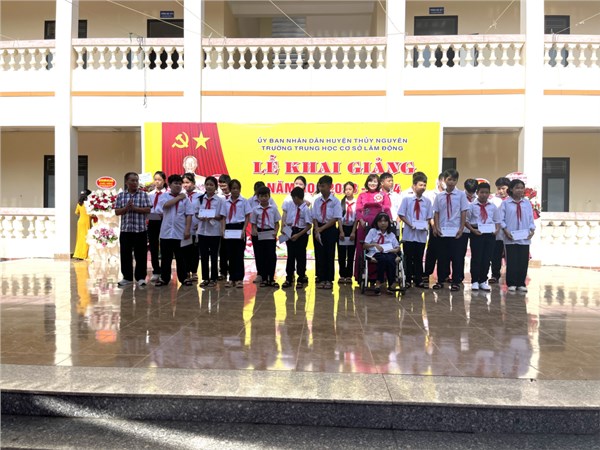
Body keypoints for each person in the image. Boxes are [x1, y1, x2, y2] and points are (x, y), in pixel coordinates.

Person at [432, 169, 470, 291]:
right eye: (449, 179)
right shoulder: (439, 196)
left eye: (454, 180)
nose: (451, 182)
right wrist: (436, 227)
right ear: (444, 180)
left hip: (456, 231)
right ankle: (441, 280)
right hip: (443, 230)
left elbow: (463, 212)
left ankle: (456, 281)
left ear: (457, 181)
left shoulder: (461, 195)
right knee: (442, 257)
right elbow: (436, 212)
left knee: (457, 257)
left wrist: (461, 228)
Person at [154, 174, 194, 287]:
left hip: (180, 232)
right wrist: (178, 198)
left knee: (181, 257)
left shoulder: (185, 199)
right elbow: (165, 206)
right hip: (166, 232)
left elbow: (189, 214)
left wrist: (187, 230)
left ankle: (183, 278)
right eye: (175, 183)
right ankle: (164, 278)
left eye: (180, 184)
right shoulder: (164, 196)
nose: (178, 186)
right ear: (169, 185)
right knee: (166, 257)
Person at [115, 172, 152, 287]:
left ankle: (141, 278)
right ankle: (127, 278)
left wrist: (135, 208)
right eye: (132, 180)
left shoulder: (143, 195)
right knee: (125, 255)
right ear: (127, 182)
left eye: (136, 180)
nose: (135, 183)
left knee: (141, 255)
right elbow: (117, 211)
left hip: (140, 230)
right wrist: (126, 208)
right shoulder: (121, 196)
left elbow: (148, 210)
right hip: (126, 230)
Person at [353, 174, 392, 279]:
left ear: (379, 183)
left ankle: (381, 275)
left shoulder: (383, 195)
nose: (372, 183)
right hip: (365, 225)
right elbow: (358, 210)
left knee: (380, 246)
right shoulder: (362, 195)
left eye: (375, 181)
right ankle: (361, 274)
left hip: (380, 224)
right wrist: (361, 220)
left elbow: (387, 208)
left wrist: (389, 220)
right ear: (367, 183)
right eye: (370, 181)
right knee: (363, 248)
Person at [500, 179, 536, 292]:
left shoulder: (527, 203)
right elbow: (501, 219)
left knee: (523, 260)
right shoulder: (506, 203)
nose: (520, 190)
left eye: (521, 188)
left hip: (524, 236)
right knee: (512, 260)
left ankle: (521, 283)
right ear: (511, 189)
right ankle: (511, 283)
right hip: (511, 236)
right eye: (517, 188)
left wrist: (532, 230)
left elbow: (530, 218)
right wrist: (506, 230)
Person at [399, 173, 432, 288]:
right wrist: (410, 224)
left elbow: (429, 217)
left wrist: (426, 225)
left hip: (421, 234)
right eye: (420, 185)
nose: (423, 187)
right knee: (408, 257)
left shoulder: (427, 202)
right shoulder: (407, 200)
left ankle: (419, 279)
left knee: (419, 257)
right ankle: (407, 279)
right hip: (409, 233)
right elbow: (401, 214)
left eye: (424, 185)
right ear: (414, 186)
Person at [466, 182, 500, 291]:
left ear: (489, 193)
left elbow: (497, 220)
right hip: (477, 233)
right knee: (476, 257)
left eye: (486, 192)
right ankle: (475, 281)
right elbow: (466, 221)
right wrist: (473, 230)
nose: (484, 195)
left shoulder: (493, 206)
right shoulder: (471, 206)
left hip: (490, 234)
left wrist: (496, 230)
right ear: (477, 193)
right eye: (482, 192)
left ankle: (483, 280)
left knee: (487, 258)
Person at [194, 176, 226, 287]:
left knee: (214, 255)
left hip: (214, 231)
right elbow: (196, 212)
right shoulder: (200, 199)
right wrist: (200, 216)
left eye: (211, 185)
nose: (209, 187)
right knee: (203, 256)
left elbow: (222, 215)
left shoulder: (220, 200)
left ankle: (214, 278)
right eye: (207, 184)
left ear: (215, 187)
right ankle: (205, 278)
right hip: (202, 231)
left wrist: (212, 216)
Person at [312, 175, 343, 290]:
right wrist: (317, 229)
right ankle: (321, 278)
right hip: (318, 228)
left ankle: (329, 280)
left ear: (330, 186)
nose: (321, 188)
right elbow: (314, 216)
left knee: (329, 254)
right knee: (319, 254)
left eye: (323, 186)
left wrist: (322, 229)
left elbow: (335, 218)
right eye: (320, 186)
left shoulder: (335, 201)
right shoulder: (316, 201)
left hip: (330, 229)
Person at [363, 212, 402, 295]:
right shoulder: (372, 231)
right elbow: (365, 245)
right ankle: (379, 281)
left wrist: (394, 250)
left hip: (389, 252)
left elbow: (397, 247)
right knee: (383, 259)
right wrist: (374, 245)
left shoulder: (391, 234)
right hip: (375, 252)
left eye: (385, 221)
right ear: (377, 222)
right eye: (380, 221)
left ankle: (391, 283)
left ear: (388, 223)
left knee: (390, 259)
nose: (383, 223)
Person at [281, 187, 312, 289]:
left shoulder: (305, 209)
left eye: (293, 198)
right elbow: (287, 218)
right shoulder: (291, 206)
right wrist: (284, 228)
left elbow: (309, 226)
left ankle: (301, 277)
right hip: (291, 231)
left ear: (296, 198)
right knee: (290, 255)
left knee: (300, 256)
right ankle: (289, 277)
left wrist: (298, 235)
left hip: (301, 234)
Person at [250, 186, 281, 287]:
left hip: (270, 233)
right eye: (261, 196)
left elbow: (277, 223)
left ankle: (271, 278)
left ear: (269, 196)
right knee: (261, 256)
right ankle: (263, 278)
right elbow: (253, 223)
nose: (263, 198)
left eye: (265, 196)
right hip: (260, 233)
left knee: (271, 256)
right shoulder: (255, 210)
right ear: (258, 197)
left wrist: (276, 231)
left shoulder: (273, 209)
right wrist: (255, 230)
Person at [222, 179, 250, 288]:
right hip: (229, 228)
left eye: (237, 188)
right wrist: (223, 230)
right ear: (230, 189)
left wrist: (243, 230)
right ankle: (231, 278)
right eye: (233, 188)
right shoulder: (225, 202)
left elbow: (247, 216)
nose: (235, 190)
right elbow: (223, 217)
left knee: (239, 254)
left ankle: (239, 278)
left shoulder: (244, 201)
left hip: (239, 227)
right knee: (230, 254)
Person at [422, 172, 446, 285]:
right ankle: (427, 274)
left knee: (444, 252)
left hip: (447, 227)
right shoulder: (429, 194)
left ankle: (443, 276)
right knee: (432, 251)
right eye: (445, 180)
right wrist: (433, 226)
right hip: (433, 225)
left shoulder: (453, 194)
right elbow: (429, 212)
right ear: (440, 181)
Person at [489, 177, 510, 283]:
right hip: (497, 232)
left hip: (509, 232)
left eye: (503, 188)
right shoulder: (493, 200)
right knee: (495, 255)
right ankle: (495, 275)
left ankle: (511, 275)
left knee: (510, 255)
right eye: (499, 188)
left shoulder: (512, 200)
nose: (501, 191)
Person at [147, 171, 167, 281]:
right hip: (153, 220)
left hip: (164, 220)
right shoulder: (150, 194)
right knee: (153, 245)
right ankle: (156, 270)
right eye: (155, 179)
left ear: (164, 181)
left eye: (159, 179)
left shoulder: (167, 194)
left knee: (164, 245)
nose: (157, 182)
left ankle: (164, 270)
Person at [181, 172, 200, 282]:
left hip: (196, 226)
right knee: (185, 249)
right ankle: (186, 270)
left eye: (187, 182)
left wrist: (200, 223)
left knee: (195, 250)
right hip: (184, 227)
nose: (185, 185)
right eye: (183, 183)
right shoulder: (181, 196)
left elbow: (202, 210)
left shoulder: (200, 196)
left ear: (193, 183)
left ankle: (194, 271)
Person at [337, 181, 357, 285]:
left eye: (350, 189)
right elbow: (339, 218)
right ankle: (342, 275)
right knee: (341, 254)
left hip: (352, 229)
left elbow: (357, 219)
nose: (348, 191)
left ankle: (349, 275)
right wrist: (341, 231)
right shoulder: (340, 203)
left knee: (350, 253)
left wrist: (353, 232)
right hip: (342, 228)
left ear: (354, 190)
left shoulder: (357, 202)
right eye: (346, 189)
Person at [217, 173, 232, 281]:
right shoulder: (218, 197)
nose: (223, 188)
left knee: (232, 250)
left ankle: (232, 271)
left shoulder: (235, 196)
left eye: (224, 185)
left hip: (232, 226)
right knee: (222, 250)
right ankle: (222, 271)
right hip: (221, 226)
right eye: (221, 186)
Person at [72, 189, 92, 260]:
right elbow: (91, 214)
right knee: (86, 238)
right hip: (87, 222)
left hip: (80, 222)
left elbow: (77, 212)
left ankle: (78, 254)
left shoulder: (79, 203)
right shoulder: (89, 204)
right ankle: (83, 255)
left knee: (80, 238)